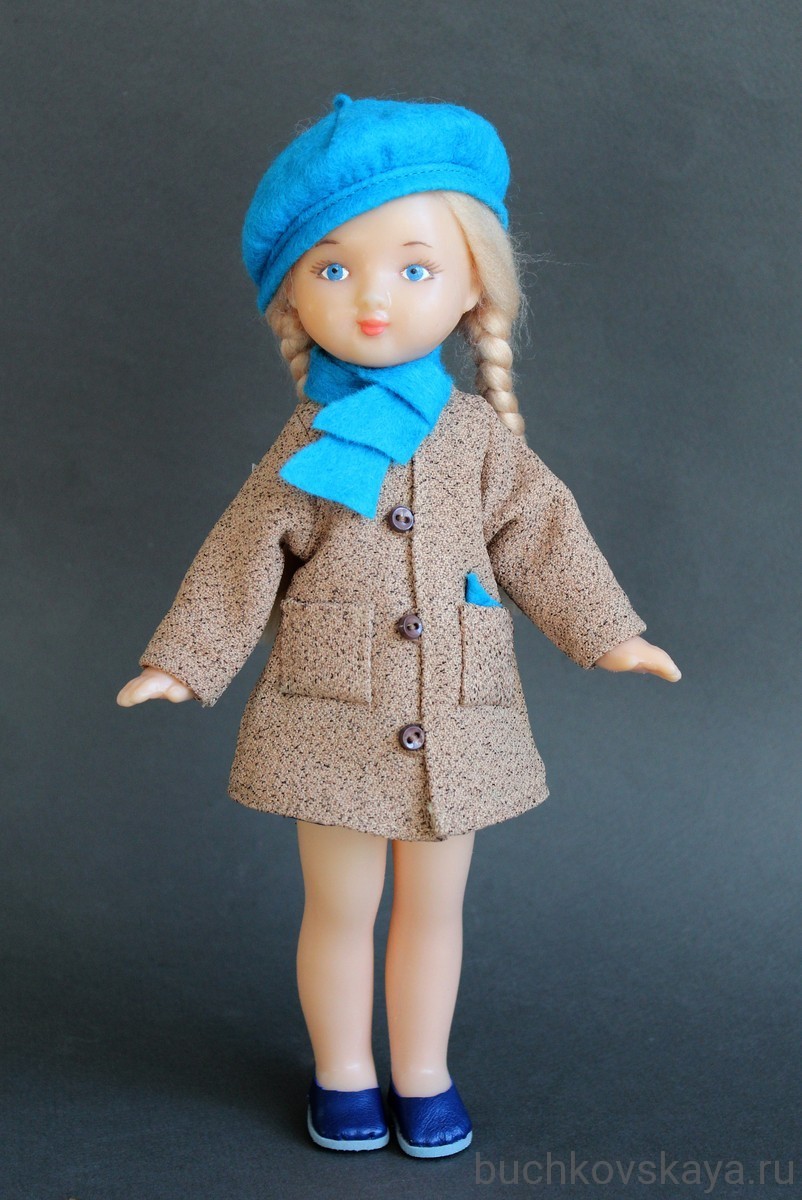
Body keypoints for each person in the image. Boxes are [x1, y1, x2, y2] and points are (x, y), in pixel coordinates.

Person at [117, 93, 680, 1158]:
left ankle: (423, 1073)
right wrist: (183, 660)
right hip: (331, 714)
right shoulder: (309, 443)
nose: (373, 298)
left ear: (472, 285)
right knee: (338, 908)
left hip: (456, 718)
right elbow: (244, 553)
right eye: (333, 269)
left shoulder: (477, 440)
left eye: (414, 268)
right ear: (293, 293)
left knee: (435, 909)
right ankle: (343, 1071)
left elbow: (541, 535)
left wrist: (608, 632)